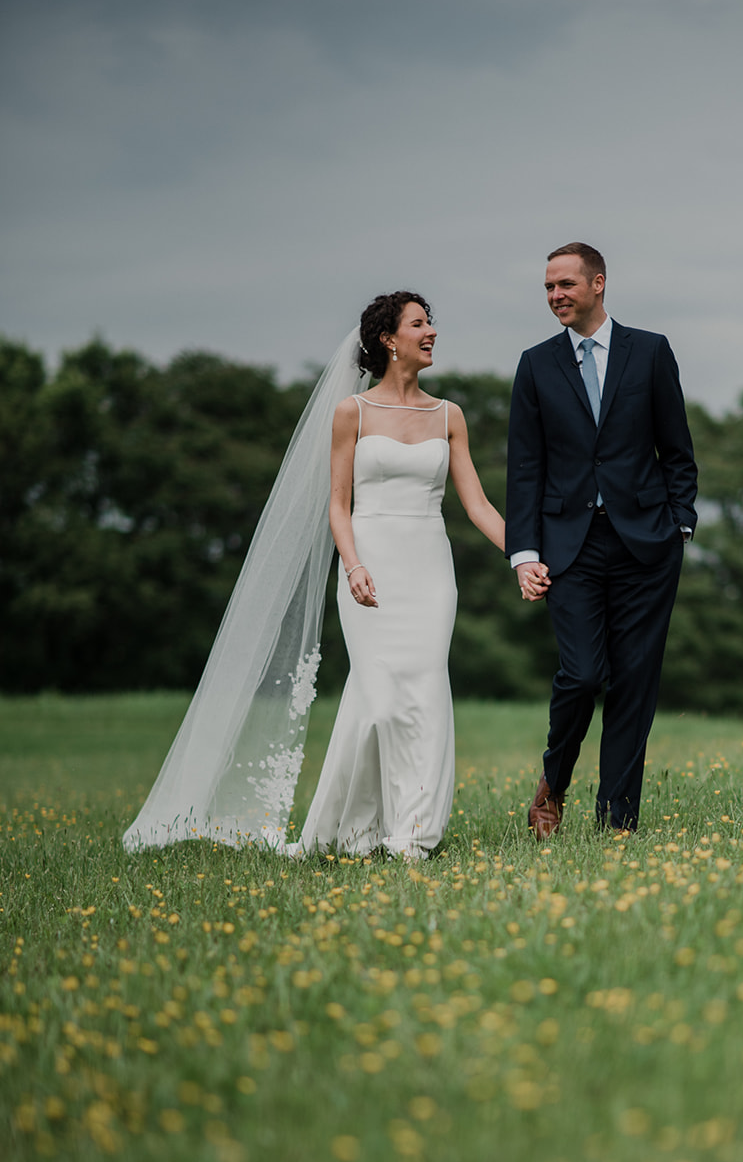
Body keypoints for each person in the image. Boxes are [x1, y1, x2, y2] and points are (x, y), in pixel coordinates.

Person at [123, 293, 505, 858]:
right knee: (376, 701)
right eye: (419, 324)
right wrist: (352, 565)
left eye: (431, 324)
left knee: (424, 694)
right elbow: (337, 504)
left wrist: (524, 553)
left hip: (430, 571)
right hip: (367, 565)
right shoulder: (352, 412)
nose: (431, 333)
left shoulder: (449, 415)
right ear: (387, 339)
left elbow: (476, 504)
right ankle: (351, 828)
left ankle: (413, 834)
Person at [505, 243, 698, 837]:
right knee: (584, 674)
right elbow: (525, 469)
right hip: (569, 547)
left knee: (635, 682)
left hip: (647, 544)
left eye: (565, 284)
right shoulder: (535, 365)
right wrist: (525, 554)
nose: (555, 296)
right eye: (547, 288)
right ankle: (554, 785)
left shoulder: (650, 351)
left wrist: (680, 524)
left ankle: (618, 818)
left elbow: (677, 449)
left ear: (599, 284)